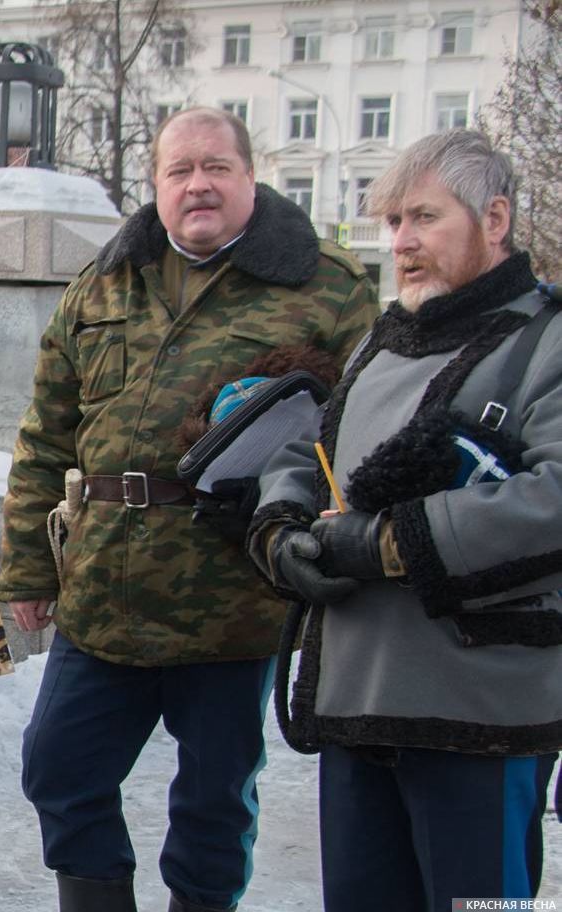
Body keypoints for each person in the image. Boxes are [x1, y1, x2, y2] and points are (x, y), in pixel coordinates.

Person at [0, 107, 377, 912]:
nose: (197, 184)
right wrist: (30, 564)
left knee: (213, 800)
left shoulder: (325, 285)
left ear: (250, 175)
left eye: (216, 167)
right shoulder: (104, 282)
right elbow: (44, 436)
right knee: (58, 768)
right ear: (156, 184)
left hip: (232, 594)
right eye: (179, 170)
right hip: (106, 585)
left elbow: (362, 436)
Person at [252, 129, 562, 909]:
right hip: (360, 704)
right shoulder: (378, 344)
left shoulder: (548, 341)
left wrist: (390, 544)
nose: (402, 242)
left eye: (423, 218)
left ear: (494, 220)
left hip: (482, 712)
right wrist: (281, 526)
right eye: (393, 223)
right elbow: (314, 448)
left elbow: (554, 499)